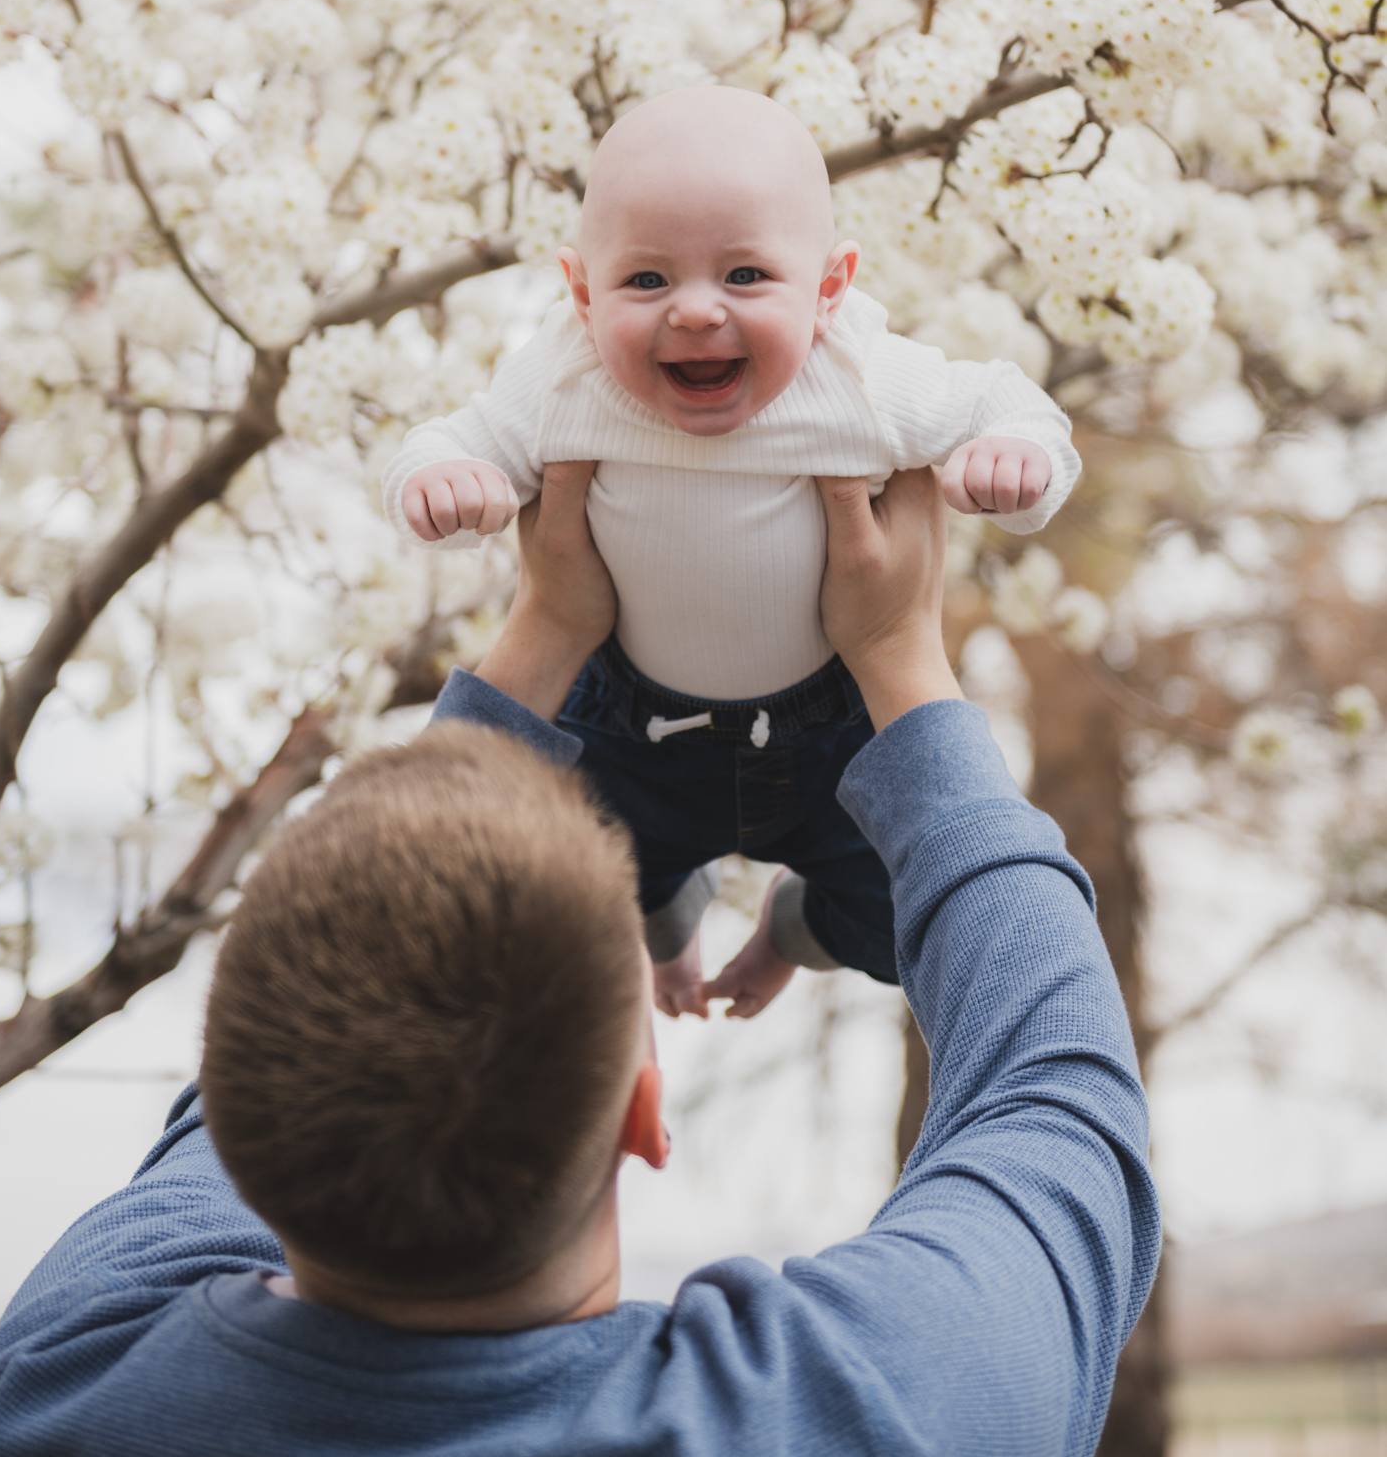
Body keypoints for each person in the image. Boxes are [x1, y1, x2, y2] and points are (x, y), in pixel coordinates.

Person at [0, 459, 1157, 1457]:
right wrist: (899, 653)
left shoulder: (62, 1411)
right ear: (645, 1110)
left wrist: (543, 631)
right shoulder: (858, 1446)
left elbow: (1055, 1101)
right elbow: (1052, 1101)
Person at [386, 84, 1080, 1017]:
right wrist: (444, 481)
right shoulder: (564, 377)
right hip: (627, 728)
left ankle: (797, 929)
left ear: (830, 289)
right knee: (564, 894)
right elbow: (451, 439)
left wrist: (1017, 461)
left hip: (834, 729)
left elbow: (1010, 405)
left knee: (902, 918)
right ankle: (666, 920)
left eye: (745, 276)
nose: (697, 312)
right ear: (582, 294)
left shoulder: (861, 378)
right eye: (647, 281)